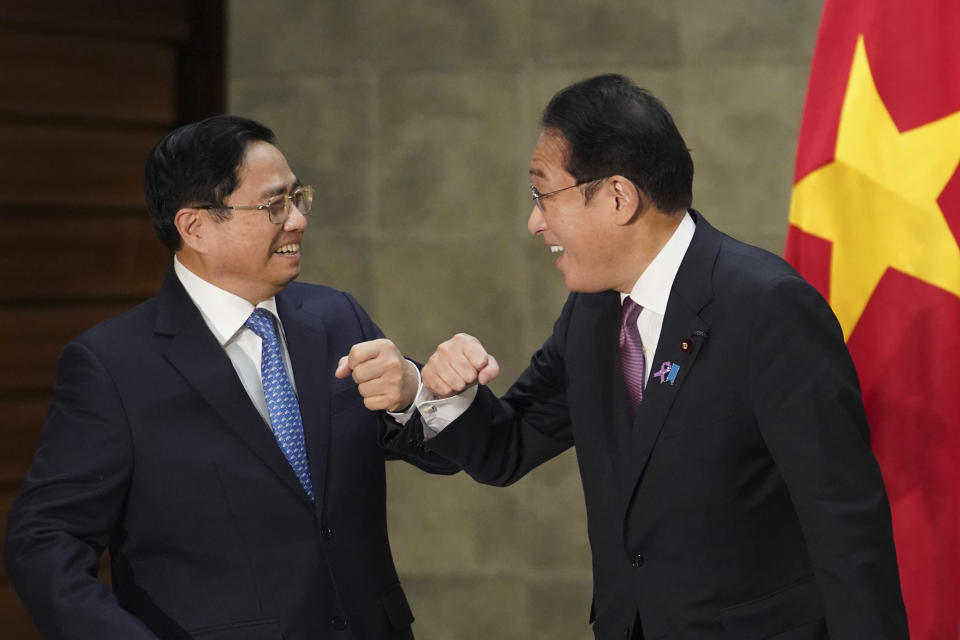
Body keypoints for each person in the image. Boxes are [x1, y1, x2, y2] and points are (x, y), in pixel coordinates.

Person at [362, 75, 909, 639]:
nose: (534, 222)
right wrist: (420, 391)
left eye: (542, 194)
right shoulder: (592, 315)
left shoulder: (767, 307)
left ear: (618, 197)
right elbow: (509, 444)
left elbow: (845, 525)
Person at [4, 115, 456, 640]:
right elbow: (43, 540)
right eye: (273, 205)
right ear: (194, 226)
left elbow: (448, 454)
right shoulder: (112, 366)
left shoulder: (336, 318)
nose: (298, 220)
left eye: (298, 197)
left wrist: (416, 393)